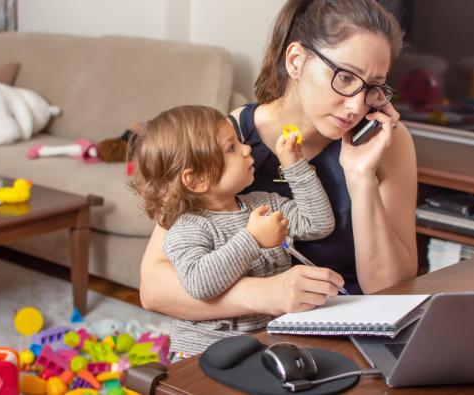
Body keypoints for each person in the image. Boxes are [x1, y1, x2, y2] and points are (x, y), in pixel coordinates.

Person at [139, 0, 418, 322]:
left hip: (349, 323)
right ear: (297, 60)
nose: (356, 106)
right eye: (345, 78)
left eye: (372, 87)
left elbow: (391, 292)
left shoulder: (388, 143)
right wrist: (268, 293)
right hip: (253, 330)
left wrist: (360, 176)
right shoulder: (233, 137)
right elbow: (154, 287)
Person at [129, 105, 334, 356]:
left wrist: (294, 165)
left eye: (240, 141)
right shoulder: (187, 227)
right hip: (204, 353)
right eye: (231, 148)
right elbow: (199, 284)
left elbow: (318, 223)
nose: (247, 149)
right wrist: (252, 240)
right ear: (195, 180)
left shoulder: (264, 203)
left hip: (264, 344)